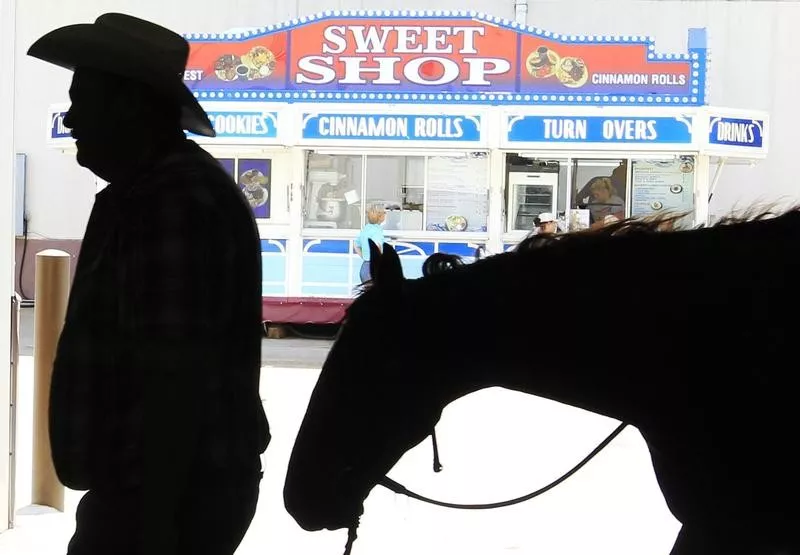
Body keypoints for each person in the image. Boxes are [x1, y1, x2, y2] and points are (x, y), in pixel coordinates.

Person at [27, 13, 270, 555]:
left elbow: (172, 374)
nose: (72, 120)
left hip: (161, 496)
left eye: (84, 99)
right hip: (162, 490)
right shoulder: (164, 188)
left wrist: (153, 520)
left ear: (130, 105)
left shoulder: (167, 201)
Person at [354, 204, 387, 283]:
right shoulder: (377, 231)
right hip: (374, 267)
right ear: (381, 217)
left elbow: (355, 245)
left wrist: (364, 257)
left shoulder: (365, 229)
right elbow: (377, 246)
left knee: (367, 292)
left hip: (365, 266)